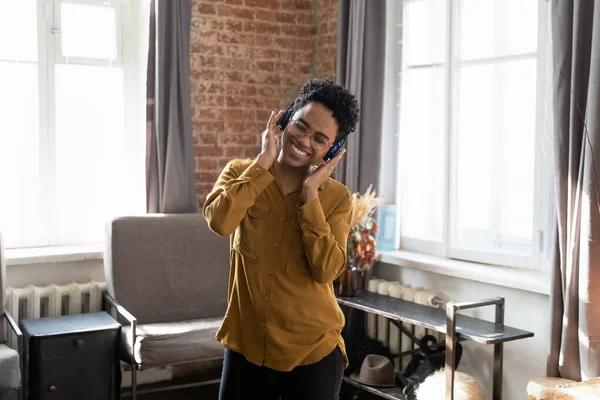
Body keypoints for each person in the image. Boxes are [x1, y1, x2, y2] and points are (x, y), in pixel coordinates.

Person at [203, 78, 360, 400]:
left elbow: (327, 271)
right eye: (301, 126)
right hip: (247, 346)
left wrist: (310, 196)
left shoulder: (337, 198)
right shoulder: (239, 173)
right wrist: (263, 161)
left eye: (319, 138)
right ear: (285, 118)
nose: (304, 141)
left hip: (312, 352)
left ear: (332, 149)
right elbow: (220, 222)